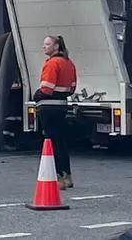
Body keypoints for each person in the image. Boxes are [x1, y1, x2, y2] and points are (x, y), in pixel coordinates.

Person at [34, 35, 77, 190]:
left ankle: (58, 177)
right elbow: (72, 88)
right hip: (61, 106)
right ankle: (67, 176)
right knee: (61, 142)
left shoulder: (52, 63)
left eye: (47, 44)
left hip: (48, 108)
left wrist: (36, 95)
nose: (44, 46)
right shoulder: (69, 63)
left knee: (51, 143)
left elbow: (46, 88)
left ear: (56, 46)